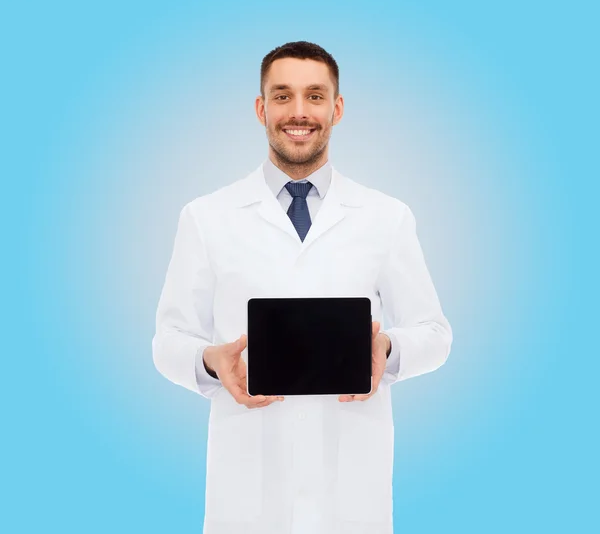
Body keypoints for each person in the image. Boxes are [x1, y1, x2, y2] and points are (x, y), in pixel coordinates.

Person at [152, 41, 453, 534]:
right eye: (282, 95)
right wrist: (213, 360)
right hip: (245, 494)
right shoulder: (206, 218)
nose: (298, 112)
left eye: (315, 96)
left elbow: (435, 334)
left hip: (351, 494)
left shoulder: (386, 217)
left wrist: (386, 348)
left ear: (336, 108)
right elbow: (168, 342)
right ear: (261, 108)